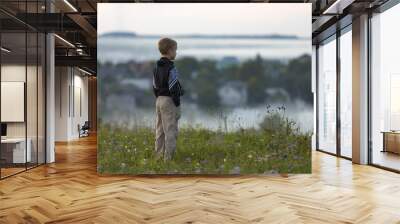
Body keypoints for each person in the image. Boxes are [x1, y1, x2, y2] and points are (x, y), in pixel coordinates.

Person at [152, 37, 184, 161]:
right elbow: (173, 86)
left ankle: (158, 156)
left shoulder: (156, 68)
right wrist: (177, 103)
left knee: (159, 130)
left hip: (159, 100)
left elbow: (154, 86)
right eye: (175, 50)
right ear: (170, 50)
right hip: (169, 100)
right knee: (171, 130)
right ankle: (168, 159)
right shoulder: (172, 68)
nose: (176, 52)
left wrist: (159, 97)